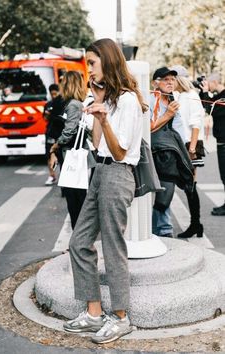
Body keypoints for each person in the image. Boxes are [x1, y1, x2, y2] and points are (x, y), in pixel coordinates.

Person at [62, 38, 147, 344]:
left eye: (92, 63)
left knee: (113, 247)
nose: (89, 69)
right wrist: (99, 108)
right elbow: (98, 145)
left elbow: (121, 151)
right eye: (87, 63)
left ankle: (122, 318)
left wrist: (104, 118)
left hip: (118, 174)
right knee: (79, 242)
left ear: (108, 62)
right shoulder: (109, 99)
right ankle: (94, 312)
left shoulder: (126, 101)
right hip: (99, 171)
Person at [150, 67, 186, 238]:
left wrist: (187, 151)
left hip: (169, 154)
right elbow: (147, 129)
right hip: (152, 153)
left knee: (166, 190)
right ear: (155, 83)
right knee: (155, 192)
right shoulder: (150, 101)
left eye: (172, 79)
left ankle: (163, 228)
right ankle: (158, 229)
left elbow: (179, 130)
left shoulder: (173, 100)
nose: (170, 82)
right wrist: (168, 114)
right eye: (166, 79)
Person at [49, 71, 88, 230]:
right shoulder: (76, 103)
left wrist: (56, 145)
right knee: (76, 197)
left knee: (75, 199)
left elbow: (70, 130)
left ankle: (78, 237)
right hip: (74, 153)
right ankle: (79, 236)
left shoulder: (73, 104)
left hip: (72, 154)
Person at [171, 65, 205, 238]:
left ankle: (195, 224)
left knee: (190, 185)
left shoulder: (191, 96)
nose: (170, 82)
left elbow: (196, 123)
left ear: (180, 79)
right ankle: (196, 224)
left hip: (191, 144)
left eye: (172, 79)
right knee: (187, 185)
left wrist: (191, 148)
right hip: (182, 144)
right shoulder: (179, 96)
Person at [200, 73, 225, 216]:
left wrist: (205, 92)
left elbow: (210, 109)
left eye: (209, 83)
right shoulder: (220, 95)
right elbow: (207, 104)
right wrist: (203, 91)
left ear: (214, 82)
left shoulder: (223, 97)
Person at [44, 84, 66, 186]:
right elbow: (45, 118)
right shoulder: (48, 104)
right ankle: (52, 176)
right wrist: (47, 115)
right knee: (49, 155)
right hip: (50, 133)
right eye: (51, 94)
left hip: (60, 133)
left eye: (55, 93)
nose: (53, 96)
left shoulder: (62, 103)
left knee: (62, 157)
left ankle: (63, 176)